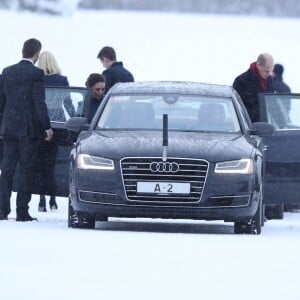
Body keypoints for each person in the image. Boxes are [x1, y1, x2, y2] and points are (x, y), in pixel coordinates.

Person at [0, 38, 53, 221]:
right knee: (25, 170)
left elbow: (1, 102)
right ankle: (22, 211)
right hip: (28, 130)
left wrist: (1, 125)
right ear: (37, 53)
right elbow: (39, 103)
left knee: (6, 170)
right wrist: (47, 127)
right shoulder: (36, 73)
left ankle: (2, 210)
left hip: (9, 128)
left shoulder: (7, 71)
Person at [37, 51, 70, 212]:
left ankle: (42, 198)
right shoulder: (62, 80)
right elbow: (68, 103)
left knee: (42, 163)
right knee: (53, 163)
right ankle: (53, 198)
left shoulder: (38, 79)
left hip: (41, 123)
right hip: (58, 123)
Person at [233, 53, 274, 123]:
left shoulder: (269, 79)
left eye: (270, 71)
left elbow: (272, 102)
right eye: (266, 71)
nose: (268, 74)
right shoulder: (241, 81)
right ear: (258, 65)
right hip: (248, 126)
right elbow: (237, 109)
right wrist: (258, 112)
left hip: (267, 125)